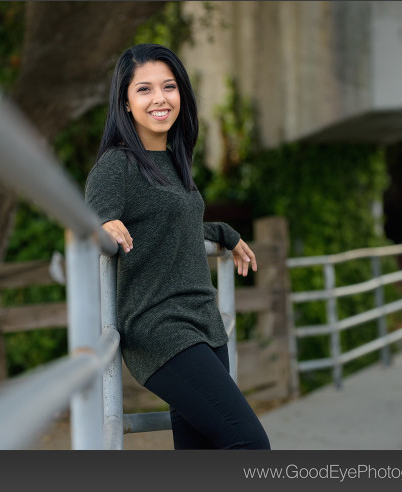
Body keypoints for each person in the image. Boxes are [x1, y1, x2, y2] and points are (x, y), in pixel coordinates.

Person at [84, 44, 270, 449]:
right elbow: (96, 216)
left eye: (168, 87)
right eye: (144, 89)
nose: (160, 99)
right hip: (161, 330)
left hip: (202, 323)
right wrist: (103, 223)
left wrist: (224, 234)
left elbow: (175, 222)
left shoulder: (172, 160)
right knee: (249, 443)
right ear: (126, 103)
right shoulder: (118, 164)